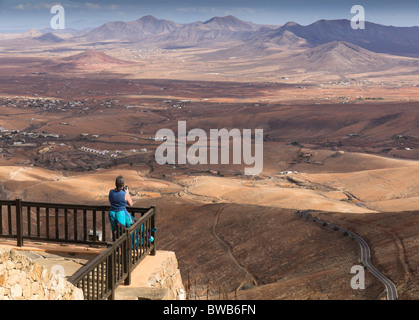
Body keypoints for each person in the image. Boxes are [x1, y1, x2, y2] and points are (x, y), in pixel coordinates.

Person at [108, 175, 134, 239]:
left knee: (114, 232)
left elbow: (111, 200)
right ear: (123, 184)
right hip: (121, 215)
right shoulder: (125, 194)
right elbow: (131, 204)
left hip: (112, 214)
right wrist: (127, 192)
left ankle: (114, 247)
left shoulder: (111, 192)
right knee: (122, 233)